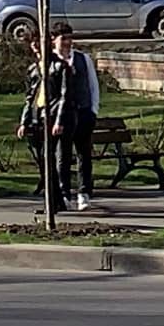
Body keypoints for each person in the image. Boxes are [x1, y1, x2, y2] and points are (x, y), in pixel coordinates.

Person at [41, 23, 100, 210]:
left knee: (84, 155)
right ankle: (64, 192)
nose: (67, 42)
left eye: (69, 38)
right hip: (62, 116)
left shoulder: (83, 59)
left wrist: (93, 110)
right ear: (53, 40)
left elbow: (93, 86)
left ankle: (84, 192)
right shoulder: (49, 63)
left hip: (83, 112)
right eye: (63, 39)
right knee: (62, 156)